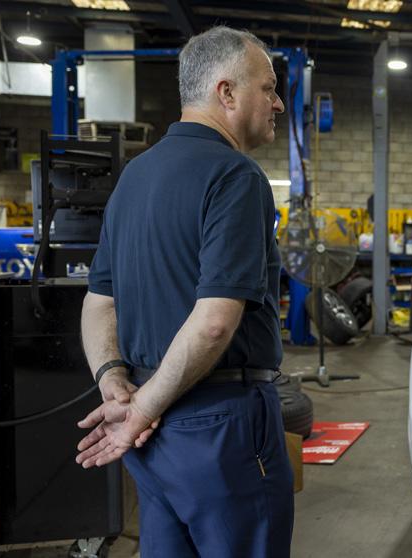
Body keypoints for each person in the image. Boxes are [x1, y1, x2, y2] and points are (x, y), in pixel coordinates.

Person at [75, 26, 292, 557]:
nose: (279, 104)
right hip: (220, 425)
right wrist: (140, 410)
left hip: (151, 439)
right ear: (226, 92)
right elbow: (215, 321)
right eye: (268, 88)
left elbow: (99, 302)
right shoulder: (236, 176)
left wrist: (114, 382)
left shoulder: (134, 176)